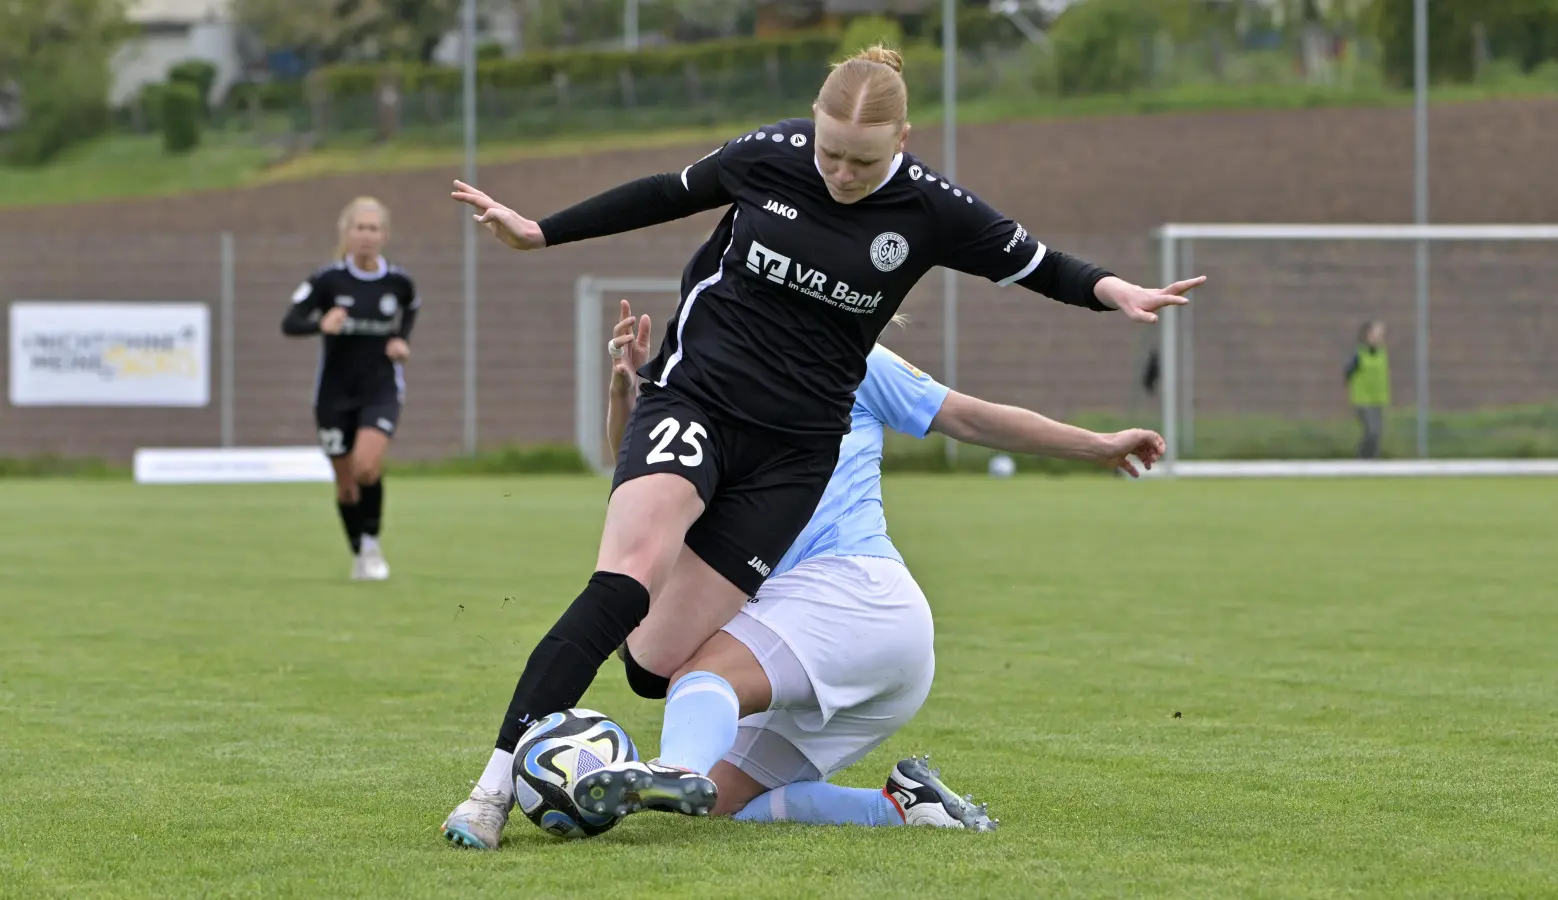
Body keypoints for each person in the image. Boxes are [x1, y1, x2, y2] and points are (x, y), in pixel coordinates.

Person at [441, 45, 1202, 850]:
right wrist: (540, 231)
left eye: (863, 160)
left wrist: (1114, 289)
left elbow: (1036, 264)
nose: (840, 171)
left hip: (792, 456)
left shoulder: (932, 211)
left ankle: (736, 774)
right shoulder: (768, 155)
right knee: (626, 579)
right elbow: (667, 193)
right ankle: (489, 793)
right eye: (830, 150)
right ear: (812, 121)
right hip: (696, 398)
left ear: (903, 139)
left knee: (652, 663)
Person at [560, 300, 1164, 835]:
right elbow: (649, 480)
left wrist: (1098, 445)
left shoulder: (853, 361)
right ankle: (904, 809)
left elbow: (973, 417)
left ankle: (672, 768)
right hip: (876, 650)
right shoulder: (709, 376)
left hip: (850, 591)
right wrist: (628, 397)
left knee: (701, 679)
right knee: (715, 803)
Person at [280, 196, 418, 581]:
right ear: (346, 233)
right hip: (334, 395)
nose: (367, 236)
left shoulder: (399, 283)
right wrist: (320, 324)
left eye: (374, 229)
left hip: (381, 389)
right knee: (346, 485)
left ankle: (372, 544)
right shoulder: (327, 281)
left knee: (366, 467)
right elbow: (290, 322)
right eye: (360, 228)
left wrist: (400, 340)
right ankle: (358, 550)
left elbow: (411, 309)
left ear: (385, 235)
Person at [1344, 319, 1389, 460]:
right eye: (1376, 334)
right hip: (1363, 400)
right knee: (1371, 431)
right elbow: (1348, 374)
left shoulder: (1382, 354)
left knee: (1377, 434)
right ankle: (1362, 458)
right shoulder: (1359, 355)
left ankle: (1373, 461)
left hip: (1379, 399)